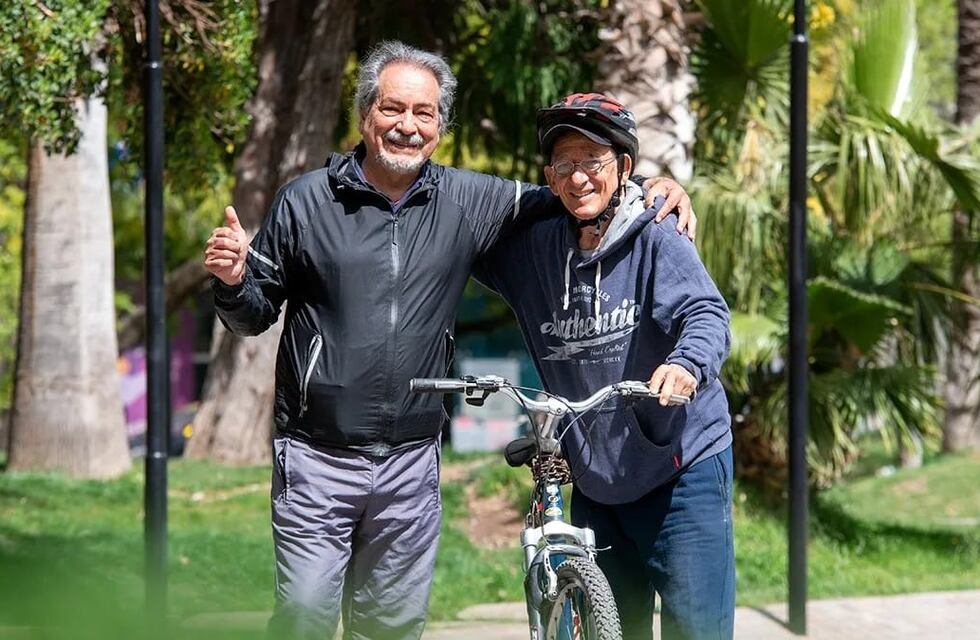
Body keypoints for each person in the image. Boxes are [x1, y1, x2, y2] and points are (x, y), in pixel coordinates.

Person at [203, 41, 695, 640]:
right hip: (316, 456)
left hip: (411, 462)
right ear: (365, 114)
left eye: (424, 113)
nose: (407, 126)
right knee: (304, 616)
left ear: (440, 126)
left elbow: (571, 188)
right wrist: (234, 282)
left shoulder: (467, 199)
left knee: (391, 627)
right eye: (393, 108)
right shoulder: (306, 201)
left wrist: (647, 184)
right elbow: (253, 315)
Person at [473, 93, 734, 640]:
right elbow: (454, 235)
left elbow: (706, 312)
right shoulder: (531, 252)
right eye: (564, 163)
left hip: (680, 469)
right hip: (597, 479)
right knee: (612, 628)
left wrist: (687, 365)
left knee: (696, 629)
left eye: (593, 161)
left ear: (623, 167)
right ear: (549, 177)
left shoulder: (656, 233)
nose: (578, 177)